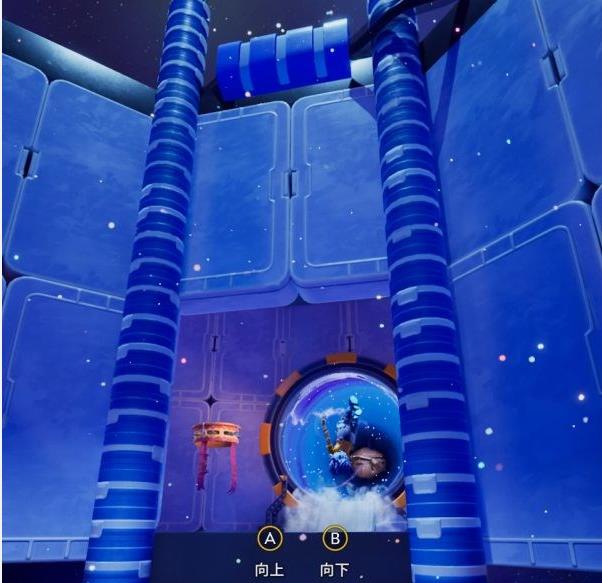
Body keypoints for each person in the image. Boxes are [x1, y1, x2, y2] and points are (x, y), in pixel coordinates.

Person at [322, 396, 387, 480]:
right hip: (348, 441)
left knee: (348, 425)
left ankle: (353, 412)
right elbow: (327, 437)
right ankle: (353, 413)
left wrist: (323, 423)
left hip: (346, 440)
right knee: (350, 425)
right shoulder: (337, 455)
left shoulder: (335, 454)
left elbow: (327, 437)